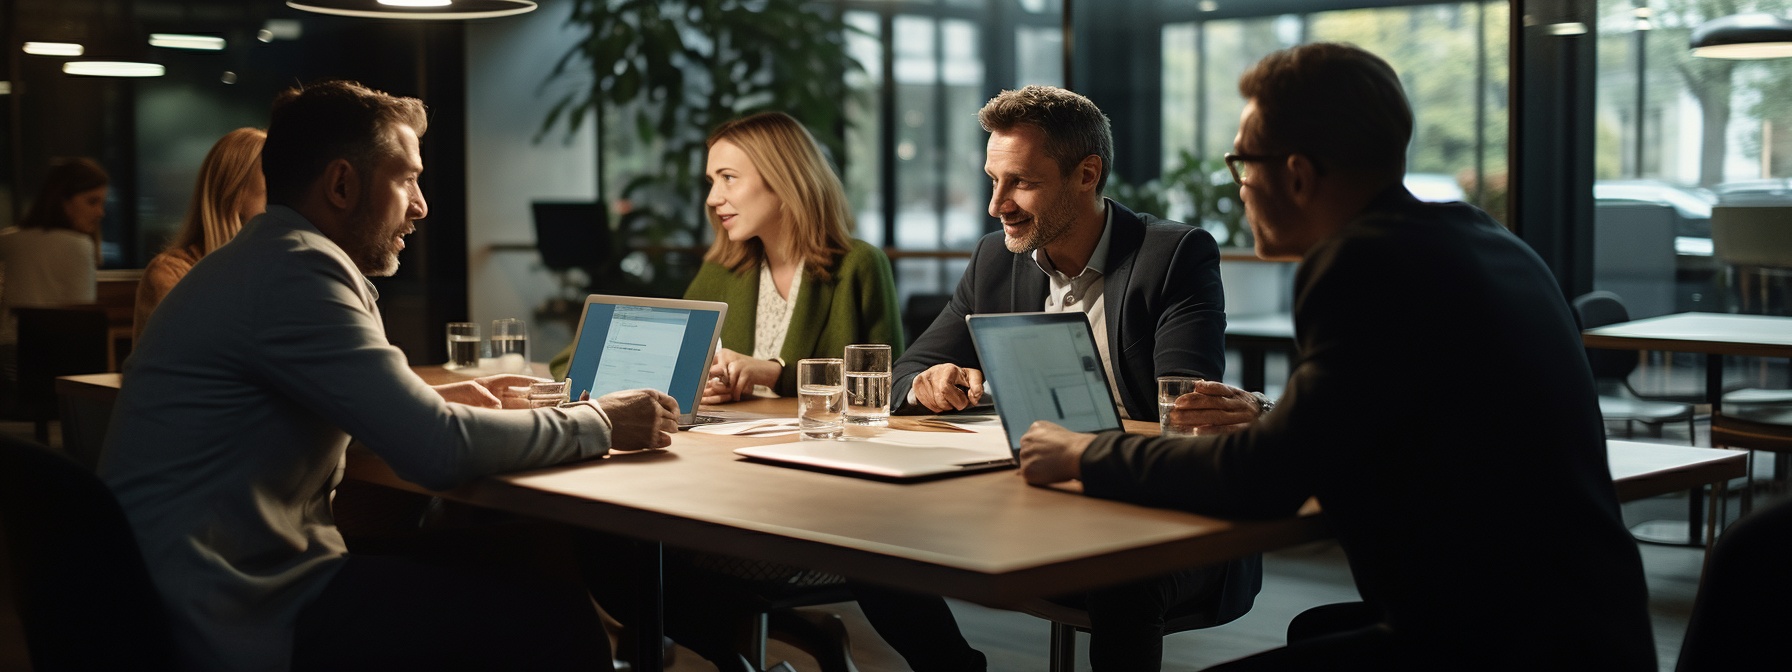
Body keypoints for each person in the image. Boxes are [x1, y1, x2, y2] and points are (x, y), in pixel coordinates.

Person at [1017, 43, 1655, 671]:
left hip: (1500, 645)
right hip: (1590, 624)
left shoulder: (1360, 264)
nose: (1239, 190)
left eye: (1244, 166)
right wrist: (1277, 415)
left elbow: (1262, 480)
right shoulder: (1490, 243)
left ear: (1296, 173)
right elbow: (1402, 420)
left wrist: (1084, 452)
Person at [99, 80, 681, 671]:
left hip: (183, 590)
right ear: (343, 184)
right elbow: (437, 450)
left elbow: (314, 407)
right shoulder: (299, 271)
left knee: (527, 549)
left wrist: (430, 398)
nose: (422, 205)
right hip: (240, 613)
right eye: (407, 179)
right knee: (550, 614)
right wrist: (600, 420)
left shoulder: (255, 260)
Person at [863, 85, 1257, 672]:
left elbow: (1184, 414)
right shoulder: (995, 258)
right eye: (993, 180)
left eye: (1021, 182)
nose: (998, 205)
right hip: (1032, 500)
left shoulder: (1172, 256)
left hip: (1154, 513)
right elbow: (906, 373)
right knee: (871, 547)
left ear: (1086, 174)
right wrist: (927, 383)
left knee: (1122, 579)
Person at [550, 111, 903, 402]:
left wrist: (777, 373)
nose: (713, 198)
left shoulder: (860, 264)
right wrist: (702, 383)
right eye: (711, 181)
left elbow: (885, 388)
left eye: (728, 178)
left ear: (784, 181)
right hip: (728, 446)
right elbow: (676, 363)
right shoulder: (722, 270)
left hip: (821, 451)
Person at [133, 127, 267, 341]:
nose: (284, 209)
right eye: (271, 194)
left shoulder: (275, 272)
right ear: (235, 196)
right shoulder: (170, 276)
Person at [0, 157, 108, 380]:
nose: (100, 212)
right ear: (64, 201)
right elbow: (81, 320)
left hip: (7, 354)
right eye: (92, 202)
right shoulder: (79, 245)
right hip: (52, 358)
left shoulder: (8, 241)